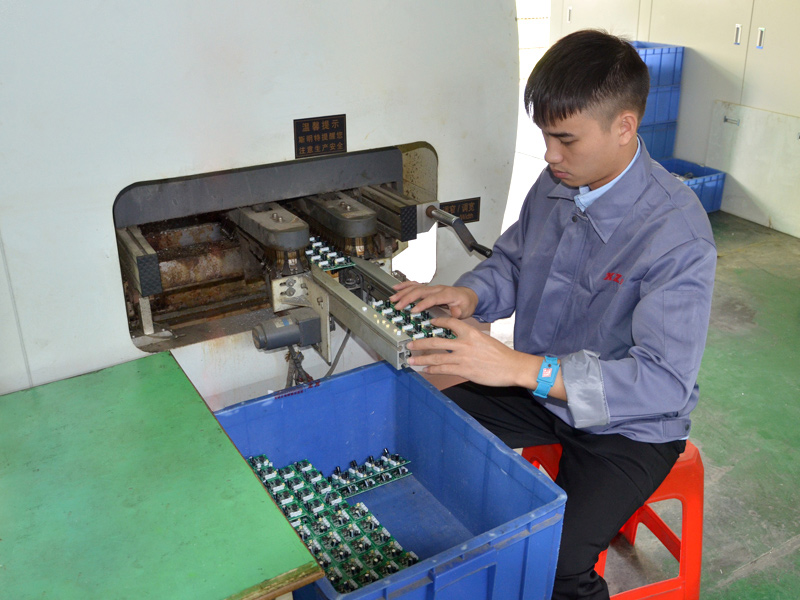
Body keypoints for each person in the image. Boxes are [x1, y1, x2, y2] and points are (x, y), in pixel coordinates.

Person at [389, 29, 716, 600]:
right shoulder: (557, 184)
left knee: (558, 565)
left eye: (565, 139)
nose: (549, 155)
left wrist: (522, 369)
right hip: (543, 392)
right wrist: (471, 296)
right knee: (421, 430)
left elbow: (664, 382)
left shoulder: (677, 235)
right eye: (544, 136)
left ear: (624, 127)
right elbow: (516, 262)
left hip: (630, 428)